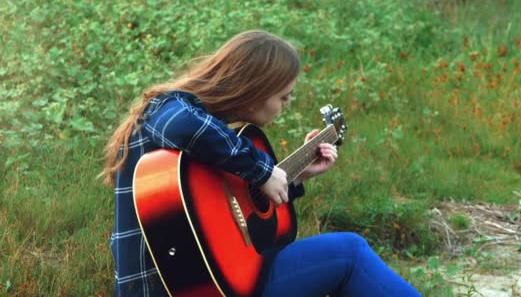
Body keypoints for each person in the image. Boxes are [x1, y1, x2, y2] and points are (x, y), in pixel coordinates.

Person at [102, 30, 421, 297]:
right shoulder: (166, 108)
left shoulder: (216, 144)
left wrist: (293, 176)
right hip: (175, 288)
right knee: (348, 253)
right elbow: (183, 126)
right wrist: (264, 170)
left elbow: (226, 215)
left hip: (210, 282)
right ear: (253, 90)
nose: (287, 104)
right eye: (283, 97)